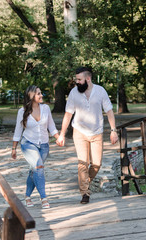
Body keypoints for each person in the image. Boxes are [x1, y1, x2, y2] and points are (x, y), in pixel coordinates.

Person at [56, 67, 118, 204]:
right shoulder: (74, 93)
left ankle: (84, 181)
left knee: (96, 164)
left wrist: (114, 130)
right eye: (76, 79)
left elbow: (109, 111)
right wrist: (62, 134)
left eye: (79, 79)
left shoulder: (100, 91)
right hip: (79, 131)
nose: (76, 82)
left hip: (97, 133)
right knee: (83, 163)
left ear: (88, 79)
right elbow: (68, 114)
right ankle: (85, 193)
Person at [11, 85, 59, 209]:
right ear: (31, 96)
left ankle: (27, 196)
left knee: (35, 170)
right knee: (39, 166)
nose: (41, 95)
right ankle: (44, 198)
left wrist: (58, 137)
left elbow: (51, 126)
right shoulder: (22, 112)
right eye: (38, 93)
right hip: (28, 144)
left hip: (44, 145)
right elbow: (18, 130)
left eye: (41, 93)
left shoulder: (46, 108)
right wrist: (14, 148)